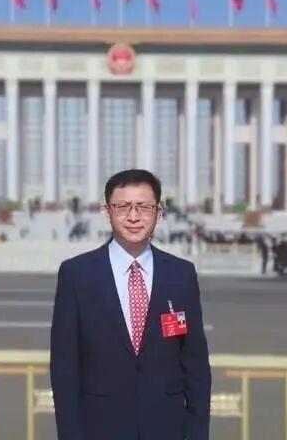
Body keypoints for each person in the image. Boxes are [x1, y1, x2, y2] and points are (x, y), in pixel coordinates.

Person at [50, 169, 211, 440]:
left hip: (166, 427)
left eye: (144, 207)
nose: (133, 217)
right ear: (107, 212)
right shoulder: (77, 274)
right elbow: (64, 368)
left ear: (159, 213)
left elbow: (195, 364)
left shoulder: (181, 274)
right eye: (123, 206)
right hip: (99, 428)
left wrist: (197, 434)